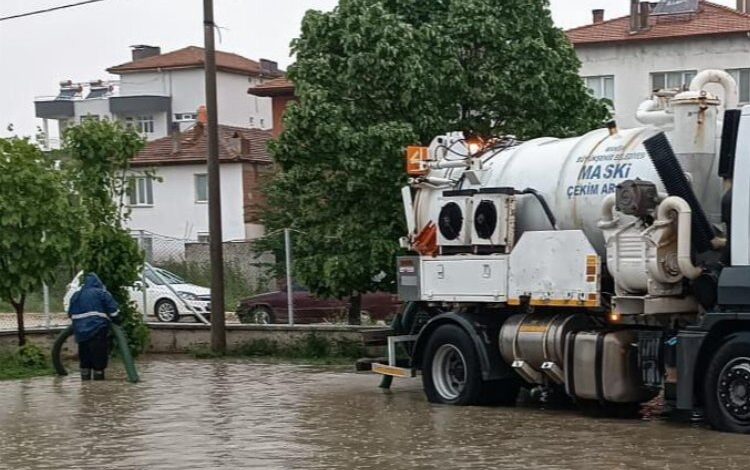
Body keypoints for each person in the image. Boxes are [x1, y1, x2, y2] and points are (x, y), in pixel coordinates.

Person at [67, 273, 120, 381]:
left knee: (85, 359)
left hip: (81, 334)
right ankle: (98, 385)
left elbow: (70, 314)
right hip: (98, 330)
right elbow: (115, 312)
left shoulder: (76, 295)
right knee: (98, 361)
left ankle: (85, 384)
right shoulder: (102, 293)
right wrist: (116, 323)